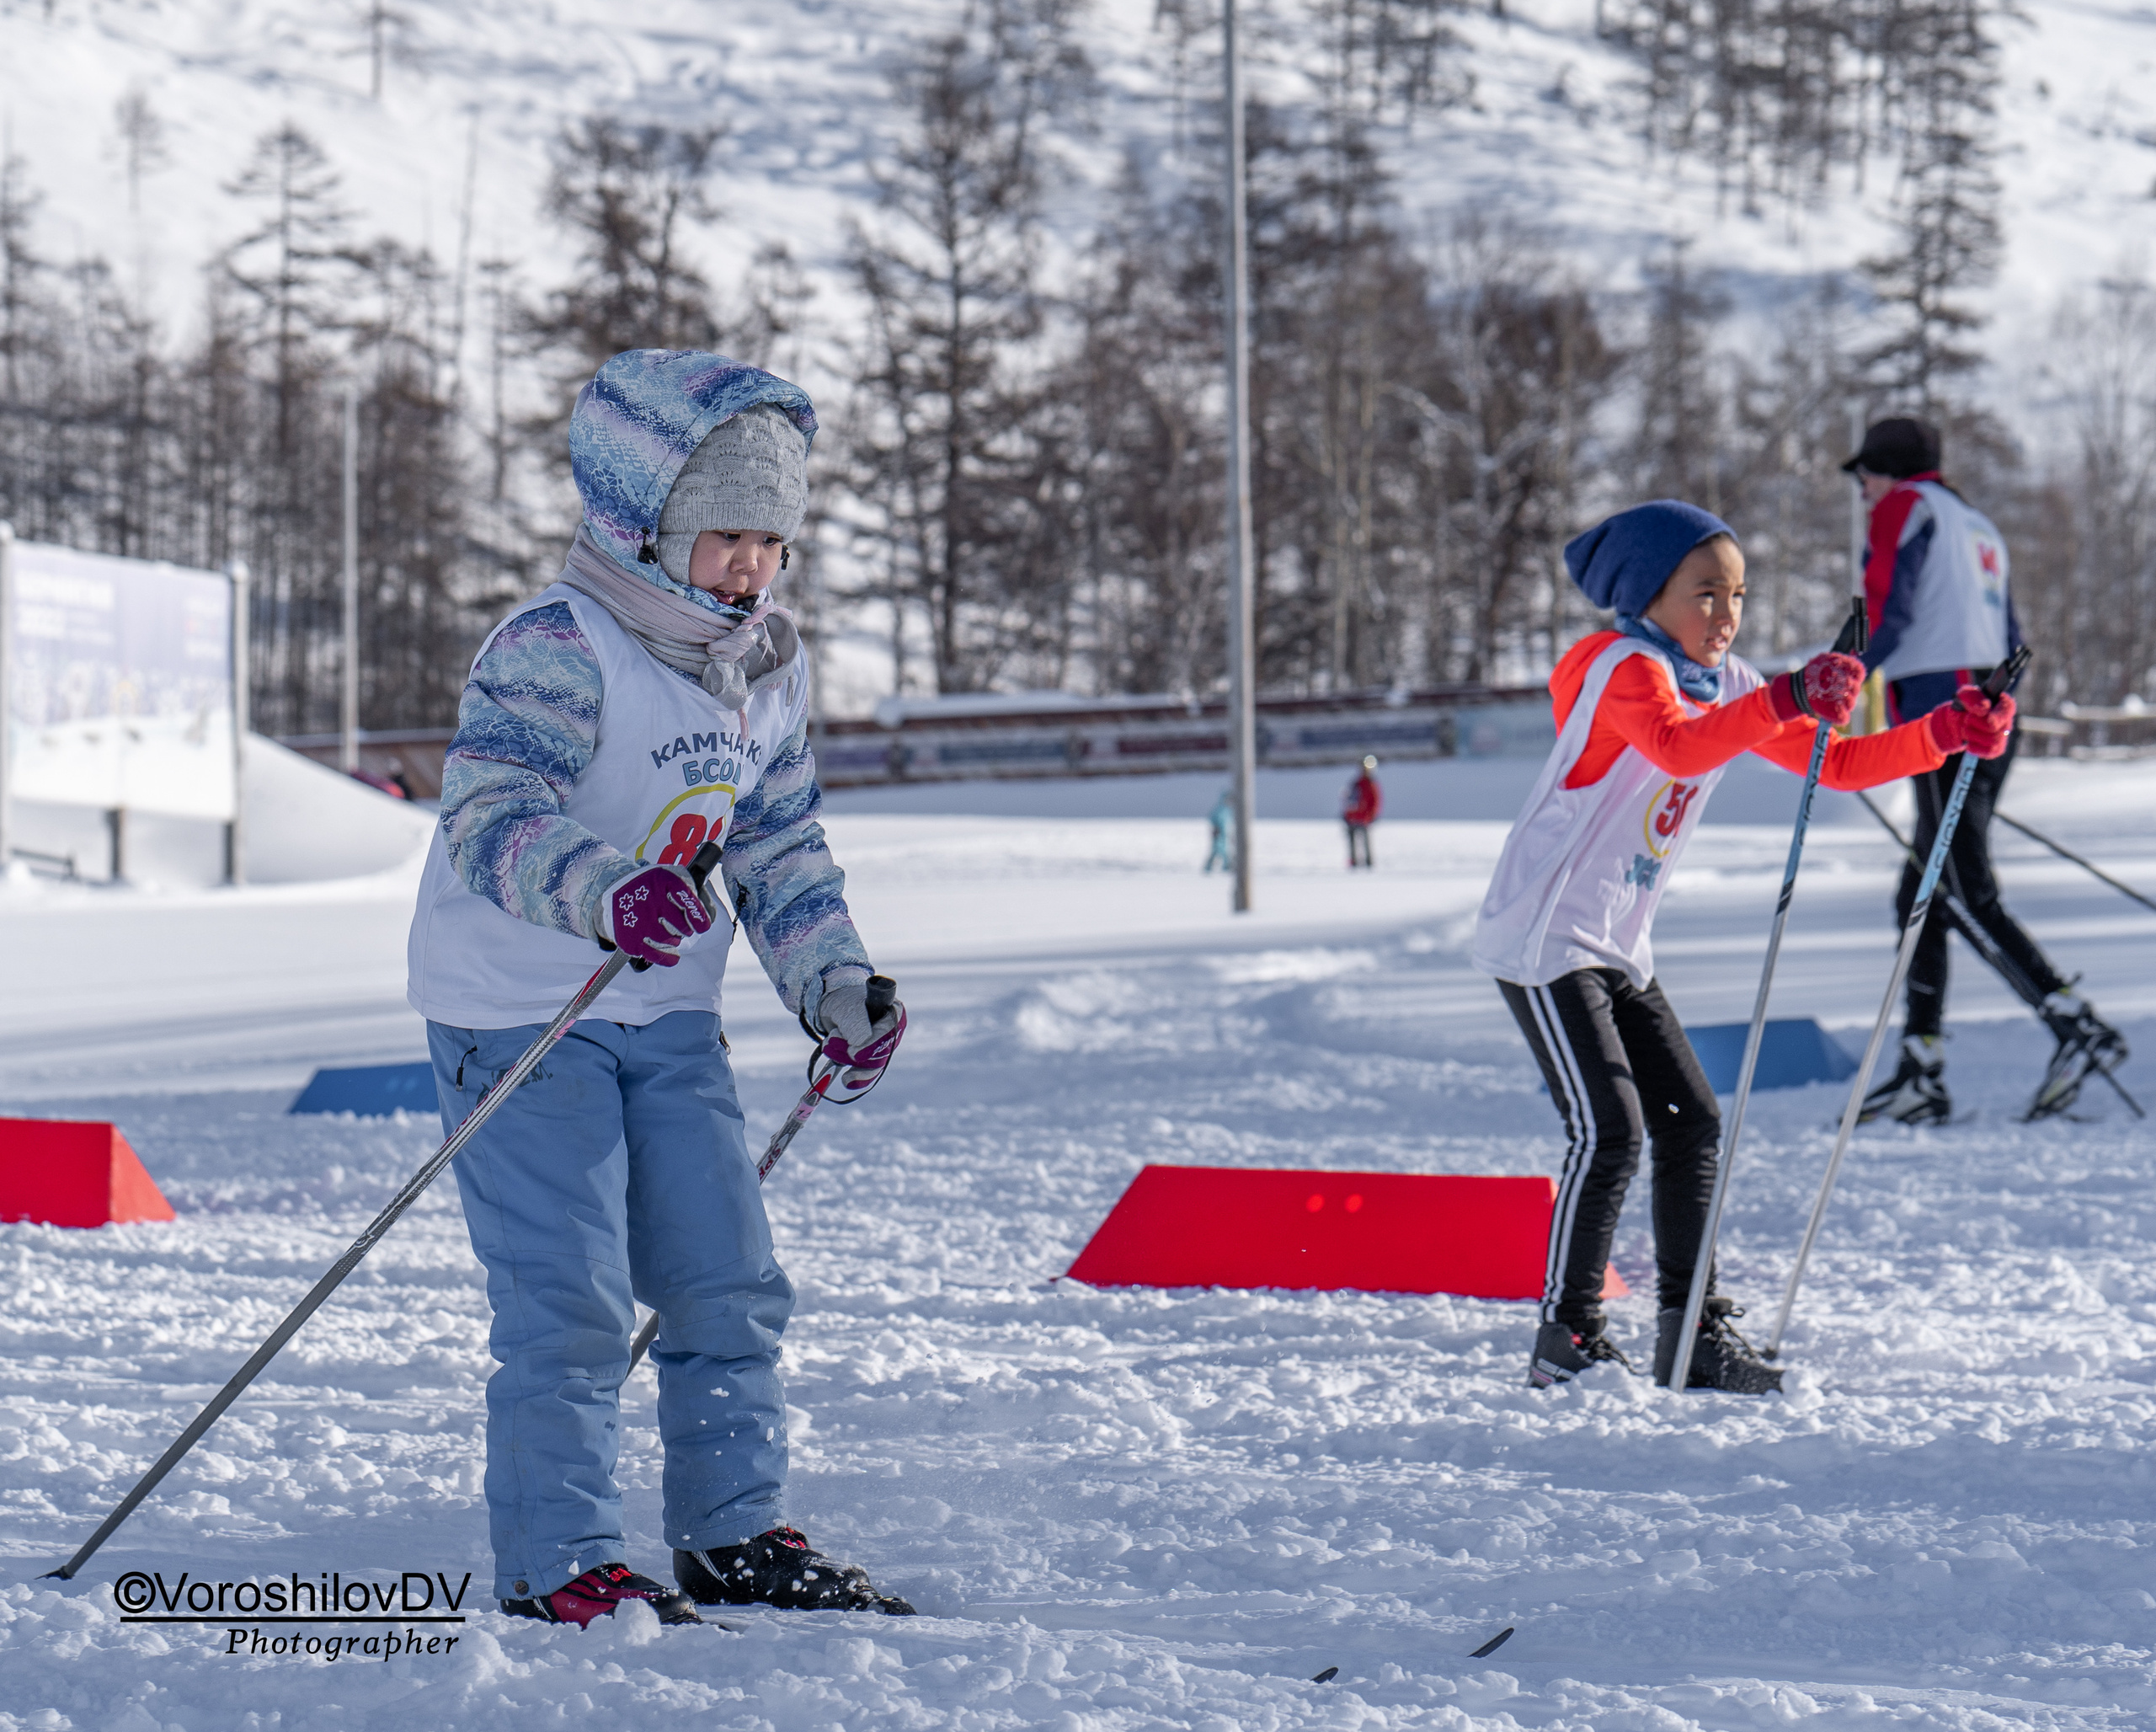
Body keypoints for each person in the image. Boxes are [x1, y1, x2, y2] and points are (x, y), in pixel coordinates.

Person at [407, 349, 913, 1629]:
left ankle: (731, 1533)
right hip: (522, 1010)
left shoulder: (765, 668)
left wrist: (835, 986)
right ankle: (559, 1556)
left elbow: (781, 849)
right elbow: (490, 812)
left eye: (771, 539)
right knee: (569, 1297)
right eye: (724, 534)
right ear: (648, 525)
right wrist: (605, 889)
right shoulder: (557, 646)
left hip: (667, 1013)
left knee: (723, 1281)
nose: (749, 565)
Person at [1471, 500, 2014, 1393]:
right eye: (1705, 593)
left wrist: (1944, 735)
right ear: (1649, 595)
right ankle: (1566, 1333)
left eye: (1738, 594)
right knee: (1609, 1130)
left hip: (1617, 941)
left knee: (1693, 1123)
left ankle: (1692, 1335)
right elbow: (1677, 750)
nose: (1727, 614)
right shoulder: (1617, 666)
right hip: (1540, 937)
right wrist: (1786, 696)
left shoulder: (1724, 682)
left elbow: (1832, 764)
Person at [1844, 416, 2125, 1124]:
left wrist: (1836, 682)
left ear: (1888, 471)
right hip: (1989, 716)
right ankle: (1923, 1067)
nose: (1863, 491)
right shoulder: (1978, 524)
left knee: (1964, 889)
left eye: (1864, 476)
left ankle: (2074, 1023)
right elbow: (2014, 638)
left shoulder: (1903, 508)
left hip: (1943, 719)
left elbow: (1889, 616)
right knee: (1924, 893)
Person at [1342, 756, 1381, 868]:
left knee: (1366, 842)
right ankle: (1353, 862)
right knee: (1352, 843)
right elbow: (1348, 798)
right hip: (1353, 817)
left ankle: (1369, 862)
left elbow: (1375, 801)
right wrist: (1347, 814)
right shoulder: (1356, 783)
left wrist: (1373, 814)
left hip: (1365, 818)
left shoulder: (1371, 784)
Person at [1204, 788, 1234, 873]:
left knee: (1224, 851)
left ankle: (1226, 868)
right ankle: (1209, 868)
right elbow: (1212, 818)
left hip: (1225, 834)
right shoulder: (1219, 809)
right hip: (1218, 834)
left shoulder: (1228, 810)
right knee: (1218, 851)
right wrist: (1215, 828)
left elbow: (1229, 822)